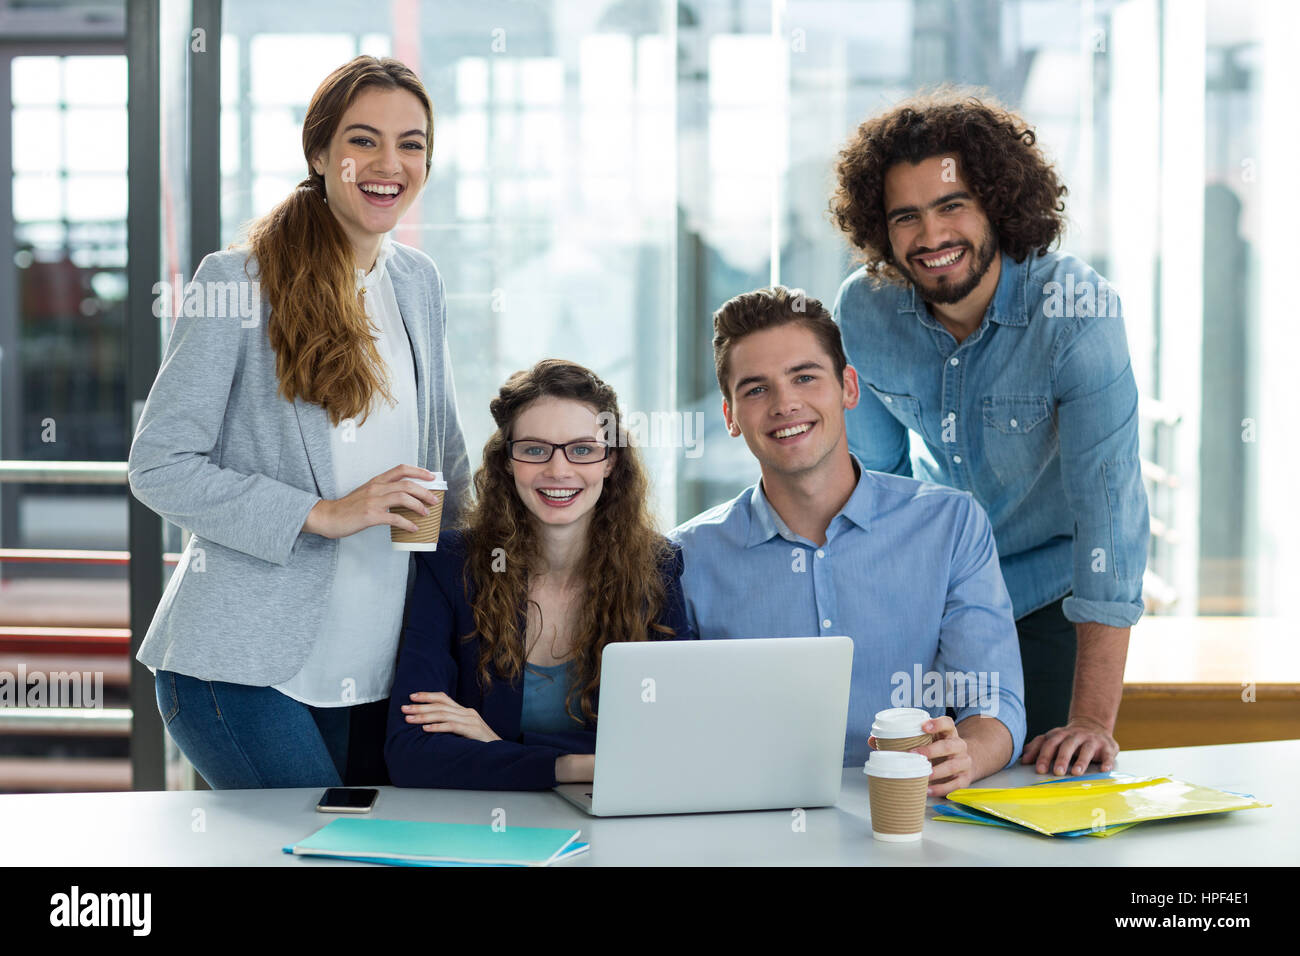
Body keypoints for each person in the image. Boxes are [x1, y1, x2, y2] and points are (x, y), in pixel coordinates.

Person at [128, 56, 471, 789]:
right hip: (242, 667)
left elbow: (444, 454)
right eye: (363, 140)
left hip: (380, 661)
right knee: (315, 850)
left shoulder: (418, 281)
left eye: (411, 143)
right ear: (320, 154)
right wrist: (322, 514)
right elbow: (159, 465)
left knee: (365, 847)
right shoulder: (238, 282)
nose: (389, 164)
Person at [829, 88, 1150, 778]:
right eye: (906, 216)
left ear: (998, 206)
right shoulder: (864, 310)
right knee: (911, 786)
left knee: (1040, 785)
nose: (932, 236)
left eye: (952, 206)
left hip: (1050, 596)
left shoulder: (1078, 314)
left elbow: (1110, 519)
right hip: (939, 592)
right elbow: (875, 486)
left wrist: (1092, 721)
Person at [669, 286, 1024, 797]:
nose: (785, 404)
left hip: (909, 815)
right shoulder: (684, 559)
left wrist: (963, 756)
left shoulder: (950, 525)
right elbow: (672, 730)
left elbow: (993, 702)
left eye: (805, 377)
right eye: (756, 389)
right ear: (730, 416)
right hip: (750, 822)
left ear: (848, 388)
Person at [385, 360, 692, 790]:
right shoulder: (452, 567)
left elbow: (675, 741)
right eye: (534, 449)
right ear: (507, 462)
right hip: (481, 831)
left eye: (582, 450)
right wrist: (571, 765)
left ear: (610, 462)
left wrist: (498, 744)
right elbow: (410, 755)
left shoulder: (657, 568)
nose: (558, 470)